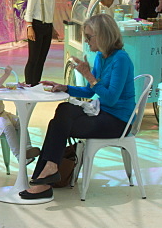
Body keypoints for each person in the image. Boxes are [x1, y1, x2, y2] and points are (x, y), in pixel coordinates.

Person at [22, 14, 136, 200]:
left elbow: (112, 98)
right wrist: (64, 87)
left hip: (118, 121)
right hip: (102, 112)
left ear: (103, 36)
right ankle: (47, 172)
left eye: (89, 36)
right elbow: (90, 92)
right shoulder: (101, 56)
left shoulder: (120, 59)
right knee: (63, 110)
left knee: (59, 124)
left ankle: (44, 177)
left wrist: (90, 76)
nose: (86, 40)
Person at [23, 0, 61, 86]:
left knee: (41, 59)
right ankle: (29, 84)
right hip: (36, 25)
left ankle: (36, 84)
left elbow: (49, 10)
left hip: (47, 26)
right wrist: (29, 27)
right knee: (33, 58)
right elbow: (30, 9)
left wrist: (52, 27)